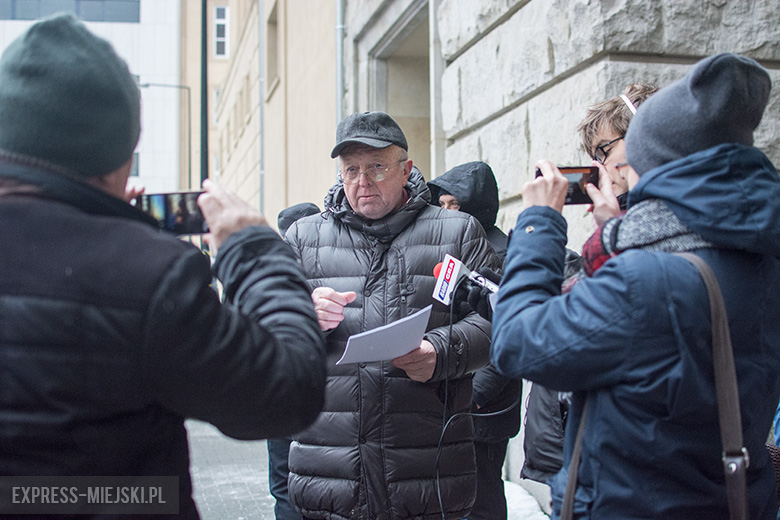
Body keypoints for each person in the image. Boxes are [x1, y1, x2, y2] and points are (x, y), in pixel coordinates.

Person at [0, 15, 326, 519]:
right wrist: (253, 250)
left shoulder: (140, 266)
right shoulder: (148, 275)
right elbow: (288, 392)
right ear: (114, 159)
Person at [492, 53, 780, 519]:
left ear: (657, 158)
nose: (610, 170)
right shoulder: (761, 257)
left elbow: (517, 341)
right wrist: (621, 234)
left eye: (614, 155)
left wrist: (538, 224)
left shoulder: (646, 279)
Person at [284, 111, 500, 520]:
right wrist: (301, 315)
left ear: (406, 170)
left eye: (376, 167)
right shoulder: (303, 238)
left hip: (425, 470)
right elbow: (259, 327)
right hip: (329, 469)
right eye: (351, 170)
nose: (362, 182)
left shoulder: (458, 232)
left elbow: (498, 321)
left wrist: (440, 352)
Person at [520, 84, 659, 494]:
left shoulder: (654, 226)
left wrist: (539, 223)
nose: (601, 167)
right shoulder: (623, 221)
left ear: (644, 135)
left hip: (629, 468)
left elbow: (522, 343)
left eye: (604, 150)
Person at [427, 161, 520, 520]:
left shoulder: (506, 254)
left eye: (455, 205)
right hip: (451, 403)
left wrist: (474, 397)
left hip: (485, 407)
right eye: (443, 204)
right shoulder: (450, 249)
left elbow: (506, 335)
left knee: (483, 500)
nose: (447, 212)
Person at [268, 201, 322, 520]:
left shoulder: (271, 272)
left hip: (280, 391)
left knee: (283, 484)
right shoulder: (331, 263)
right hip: (321, 395)